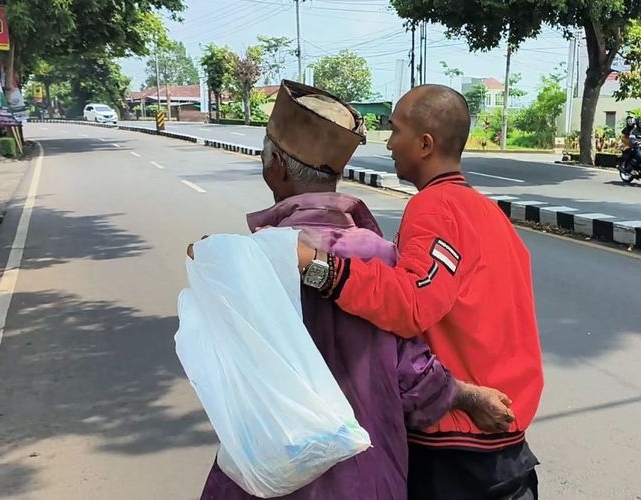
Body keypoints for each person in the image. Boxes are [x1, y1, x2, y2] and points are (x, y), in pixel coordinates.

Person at [194, 81, 514, 500]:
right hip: (366, 480)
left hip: (268, 475)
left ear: (278, 168)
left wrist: (221, 262)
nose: (390, 143)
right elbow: (410, 371)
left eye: (395, 131)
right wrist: (464, 395)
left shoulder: (249, 257)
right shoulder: (381, 254)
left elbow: (224, 370)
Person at [296, 84, 544, 499]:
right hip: (503, 444)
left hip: (458, 454)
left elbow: (411, 303)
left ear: (425, 144)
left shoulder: (436, 207)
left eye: (395, 131)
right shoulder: (488, 213)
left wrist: (317, 266)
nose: (389, 143)